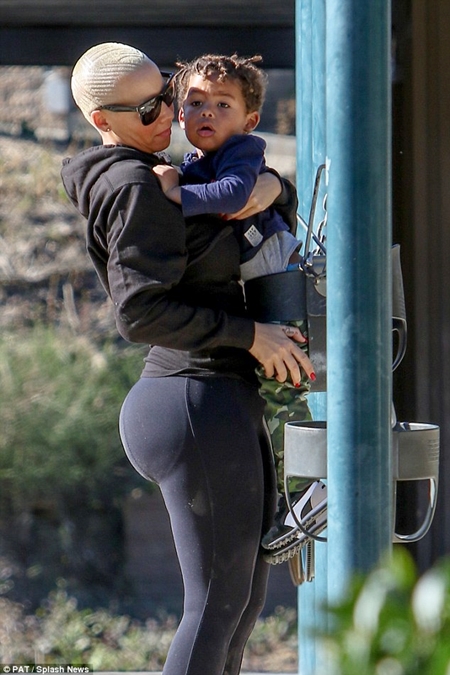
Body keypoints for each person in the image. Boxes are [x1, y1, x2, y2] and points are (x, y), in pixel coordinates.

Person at [61, 42, 316, 675]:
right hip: (193, 398)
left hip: (212, 397)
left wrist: (272, 185)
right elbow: (139, 313)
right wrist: (250, 335)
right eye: (149, 109)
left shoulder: (160, 170)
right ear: (102, 121)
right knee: (216, 607)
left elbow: (241, 206)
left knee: (240, 605)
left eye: (166, 99)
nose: (169, 117)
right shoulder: (134, 185)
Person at [152, 53, 326, 561]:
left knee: (284, 388)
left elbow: (231, 197)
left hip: (280, 288)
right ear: (179, 113)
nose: (206, 111)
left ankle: (308, 491)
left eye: (222, 104)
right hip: (262, 289)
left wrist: (174, 192)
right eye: (195, 103)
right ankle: (295, 496)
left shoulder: (242, 152)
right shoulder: (198, 162)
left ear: (250, 120)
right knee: (276, 390)